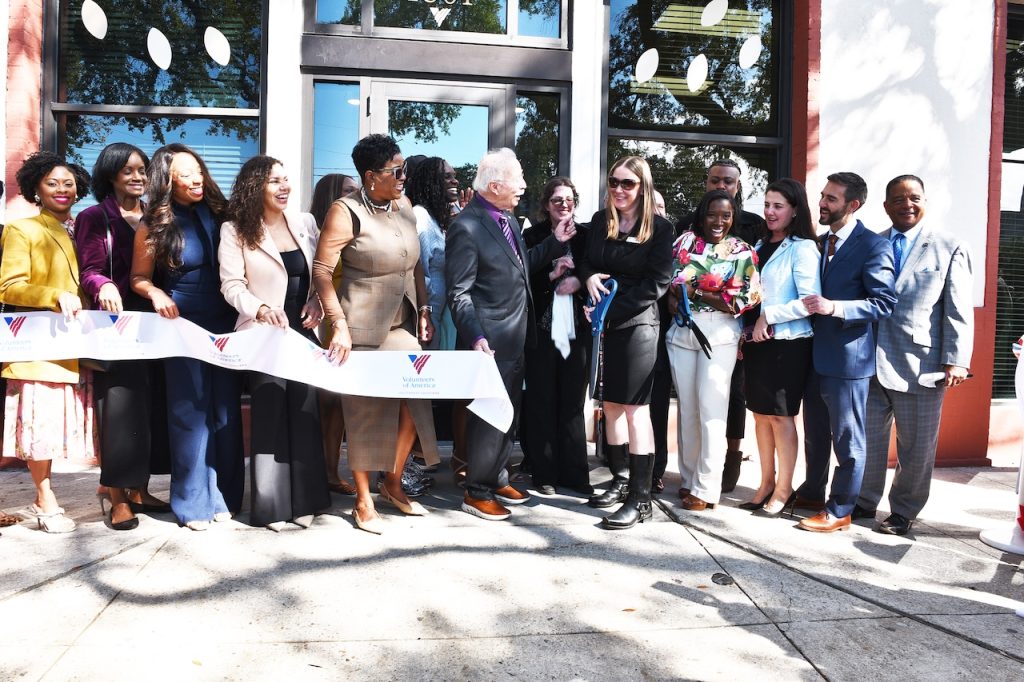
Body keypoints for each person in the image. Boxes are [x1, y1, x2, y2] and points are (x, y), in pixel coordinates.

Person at [312, 133, 440, 534]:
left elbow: (414, 262)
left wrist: (423, 308)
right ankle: (364, 500)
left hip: (400, 321)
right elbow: (321, 270)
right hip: (359, 323)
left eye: (403, 170)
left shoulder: (402, 206)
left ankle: (393, 481)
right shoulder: (344, 210)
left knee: (416, 400)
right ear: (371, 176)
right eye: (395, 171)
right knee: (365, 411)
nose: (404, 177)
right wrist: (339, 325)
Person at [446, 148, 574, 521]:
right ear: (496, 184)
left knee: (508, 415)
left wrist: (554, 244)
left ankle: (497, 475)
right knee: (489, 417)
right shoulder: (466, 226)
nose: (524, 185)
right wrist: (475, 336)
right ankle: (477, 490)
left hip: (516, 337)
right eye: (518, 178)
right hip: (488, 342)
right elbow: (459, 291)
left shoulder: (507, 220)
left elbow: (522, 266)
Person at [130, 143, 244, 531]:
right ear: (168, 180)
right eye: (185, 173)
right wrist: (157, 293)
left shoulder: (221, 214)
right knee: (190, 413)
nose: (196, 178)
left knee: (224, 410)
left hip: (226, 321)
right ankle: (193, 503)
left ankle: (225, 496)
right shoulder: (154, 223)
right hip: (182, 324)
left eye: (198, 169)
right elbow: (138, 278)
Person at [857, 175, 973, 536]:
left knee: (917, 447)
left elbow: (958, 310)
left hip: (921, 365)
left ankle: (904, 511)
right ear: (886, 205)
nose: (907, 204)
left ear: (925, 201)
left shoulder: (949, 246)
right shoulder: (871, 243)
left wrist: (956, 359)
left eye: (914, 198)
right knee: (868, 440)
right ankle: (864, 499)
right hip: (870, 359)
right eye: (898, 199)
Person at [220, 155, 331, 531]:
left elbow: (318, 274)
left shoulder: (305, 223)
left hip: (302, 332)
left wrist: (317, 301)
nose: (284, 186)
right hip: (263, 335)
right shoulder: (235, 230)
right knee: (269, 415)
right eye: (274, 181)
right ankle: (271, 506)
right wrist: (261, 307)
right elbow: (231, 285)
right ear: (255, 187)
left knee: (304, 413)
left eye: (286, 179)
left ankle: (307, 501)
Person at [75, 142, 171, 531]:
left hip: (159, 323)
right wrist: (102, 285)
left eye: (141, 169)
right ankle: (117, 497)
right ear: (111, 175)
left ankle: (140, 489)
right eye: (127, 170)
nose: (136, 176)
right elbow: (89, 268)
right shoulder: (95, 217)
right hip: (115, 327)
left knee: (151, 409)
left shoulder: (157, 216)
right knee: (119, 411)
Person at [0, 151, 97, 533]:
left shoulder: (82, 228)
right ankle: (45, 499)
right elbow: (9, 286)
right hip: (40, 344)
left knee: (56, 427)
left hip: (77, 343)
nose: (62, 189)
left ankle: (44, 496)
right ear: (36, 189)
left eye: (69, 183)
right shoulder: (22, 229)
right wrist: (53, 295)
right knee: (40, 425)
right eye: (52, 183)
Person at [795, 172, 896, 533]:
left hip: (849, 359)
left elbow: (883, 303)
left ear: (852, 205)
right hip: (813, 354)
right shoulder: (818, 243)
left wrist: (834, 307)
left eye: (831, 199)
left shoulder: (874, 246)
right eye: (822, 196)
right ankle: (811, 492)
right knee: (815, 433)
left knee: (848, 439)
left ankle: (840, 510)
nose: (821, 203)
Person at [579, 155, 674, 529]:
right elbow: (585, 261)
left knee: (636, 410)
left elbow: (656, 284)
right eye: (614, 182)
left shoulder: (661, 229)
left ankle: (641, 497)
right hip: (603, 323)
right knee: (611, 406)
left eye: (627, 184)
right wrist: (587, 281)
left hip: (637, 326)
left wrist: (609, 310)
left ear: (643, 187)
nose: (619, 189)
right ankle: (619, 481)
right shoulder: (602, 221)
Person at [671, 159, 768, 492]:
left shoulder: (743, 250)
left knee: (713, 407)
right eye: (712, 214)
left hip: (722, 332)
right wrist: (679, 303)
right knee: (688, 409)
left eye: (725, 216)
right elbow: (668, 286)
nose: (718, 220)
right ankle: (688, 479)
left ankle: (707, 486)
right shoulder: (683, 242)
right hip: (682, 330)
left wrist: (696, 292)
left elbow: (744, 300)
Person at [739, 178, 820, 516]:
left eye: (778, 206)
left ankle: (785, 489)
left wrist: (769, 317)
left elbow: (810, 302)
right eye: (767, 205)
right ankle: (765, 482)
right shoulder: (758, 244)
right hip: (757, 342)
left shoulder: (802, 248)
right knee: (759, 415)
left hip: (787, 343)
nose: (770, 212)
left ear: (795, 210)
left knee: (781, 417)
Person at [520, 177, 593, 496]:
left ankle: (576, 474)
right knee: (542, 400)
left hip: (578, 326)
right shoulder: (532, 236)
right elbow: (522, 279)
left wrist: (577, 277)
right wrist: (552, 274)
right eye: (557, 200)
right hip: (542, 328)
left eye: (569, 200)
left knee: (573, 401)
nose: (564, 205)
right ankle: (544, 472)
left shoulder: (588, 235)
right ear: (546, 205)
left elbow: (595, 271)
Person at [406, 156, 468, 485]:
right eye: (447, 176)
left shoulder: (440, 218)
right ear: (430, 181)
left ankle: (427, 457)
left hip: (443, 317)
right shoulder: (419, 217)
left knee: (432, 390)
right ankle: (411, 461)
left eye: (454, 175)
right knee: (417, 390)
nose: (454, 180)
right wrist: (423, 312)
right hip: (423, 318)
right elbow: (416, 271)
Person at [308, 172, 359, 498]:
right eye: (349, 191)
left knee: (338, 403)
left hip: (347, 317)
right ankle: (322, 471)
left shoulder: (353, 228)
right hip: (322, 320)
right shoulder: (312, 230)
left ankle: (330, 470)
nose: (356, 196)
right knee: (325, 401)